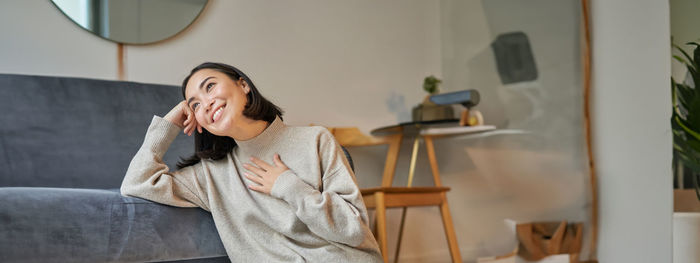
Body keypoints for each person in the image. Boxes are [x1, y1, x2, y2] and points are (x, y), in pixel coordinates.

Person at [120, 62, 383, 262]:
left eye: (210, 87)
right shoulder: (210, 176)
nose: (207, 103)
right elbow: (137, 183)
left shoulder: (315, 140)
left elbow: (355, 231)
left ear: (243, 85)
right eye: (195, 105)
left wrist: (289, 187)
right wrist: (168, 124)